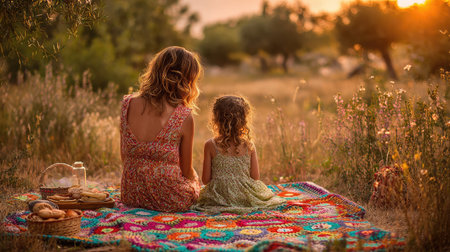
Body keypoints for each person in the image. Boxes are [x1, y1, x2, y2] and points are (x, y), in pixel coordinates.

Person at [120, 46, 201, 212]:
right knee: (196, 186)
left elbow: (124, 157)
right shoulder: (183, 115)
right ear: (187, 79)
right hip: (170, 199)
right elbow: (186, 171)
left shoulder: (127, 104)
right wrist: (196, 182)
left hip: (131, 194)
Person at [192, 95, 285, 214]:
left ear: (216, 120)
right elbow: (255, 176)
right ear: (244, 121)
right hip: (245, 196)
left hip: (219, 198)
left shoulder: (210, 145)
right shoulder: (249, 145)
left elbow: (205, 180)